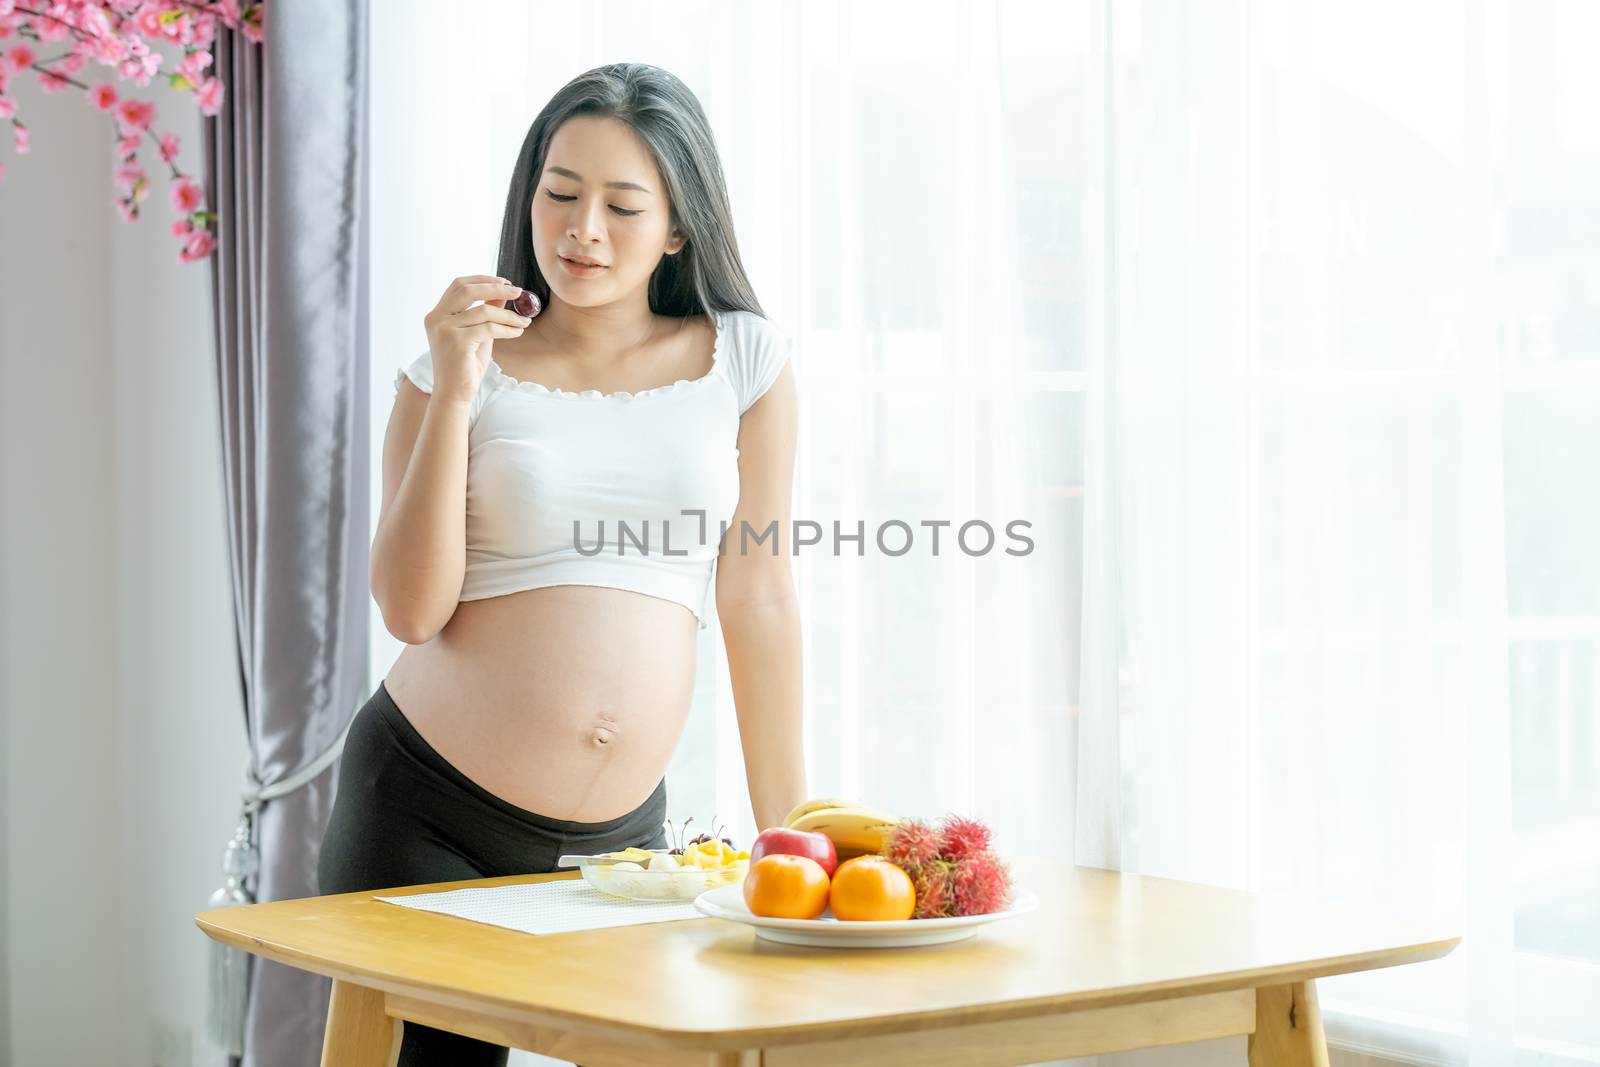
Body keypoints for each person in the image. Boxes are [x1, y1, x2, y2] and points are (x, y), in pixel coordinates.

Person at [317, 62, 805, 1067]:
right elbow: (411, 609)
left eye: (624, 205)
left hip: (622, 845)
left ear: (678, 225)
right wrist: (455, 388)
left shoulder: (743, 359)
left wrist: (792, 836)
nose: (583, 227)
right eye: (560, 192)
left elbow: (757, 594)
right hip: (423, 809)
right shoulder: (451, 366)